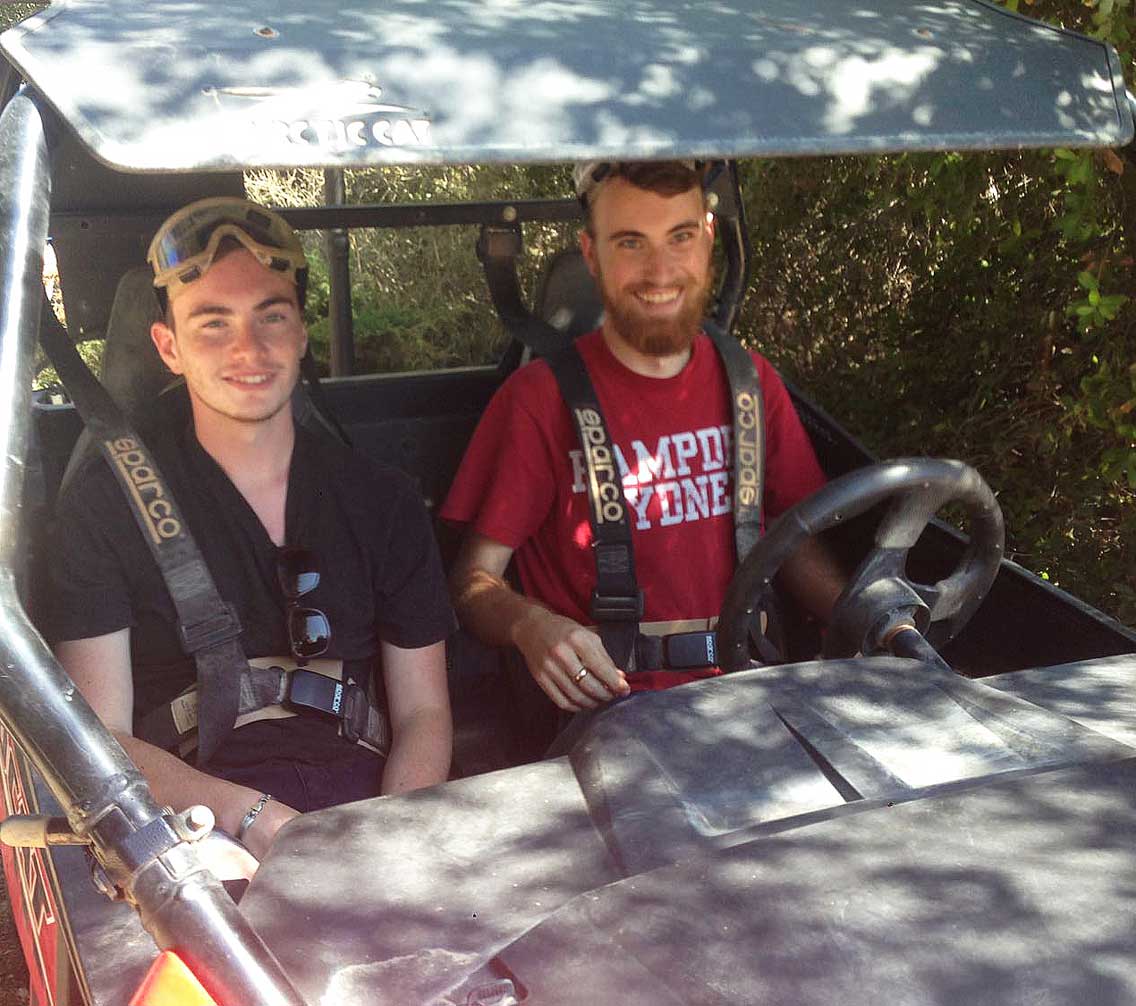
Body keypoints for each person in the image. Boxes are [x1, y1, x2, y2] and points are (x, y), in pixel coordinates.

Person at [45, 197, 455, 858]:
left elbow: (424, 714)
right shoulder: (103, 510)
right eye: (213, 323)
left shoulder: (382, 500)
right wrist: (260, 823)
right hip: (185, 826)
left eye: (272, 316)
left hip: (371, 808)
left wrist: (393, 840)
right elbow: (100, 740)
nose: (249, 348)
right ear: (168, 347)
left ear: (300, 333)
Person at [442, 160, 844, 717]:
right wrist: (530, 625)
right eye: (631, 243)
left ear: (707, 241)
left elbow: (795, 542)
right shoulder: (539, 400)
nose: (660, 272)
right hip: (612, 711)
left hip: (755, 694)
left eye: (679, 237)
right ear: (591, 255)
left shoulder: (750, 384)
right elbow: (471, 581)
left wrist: (871, 618)